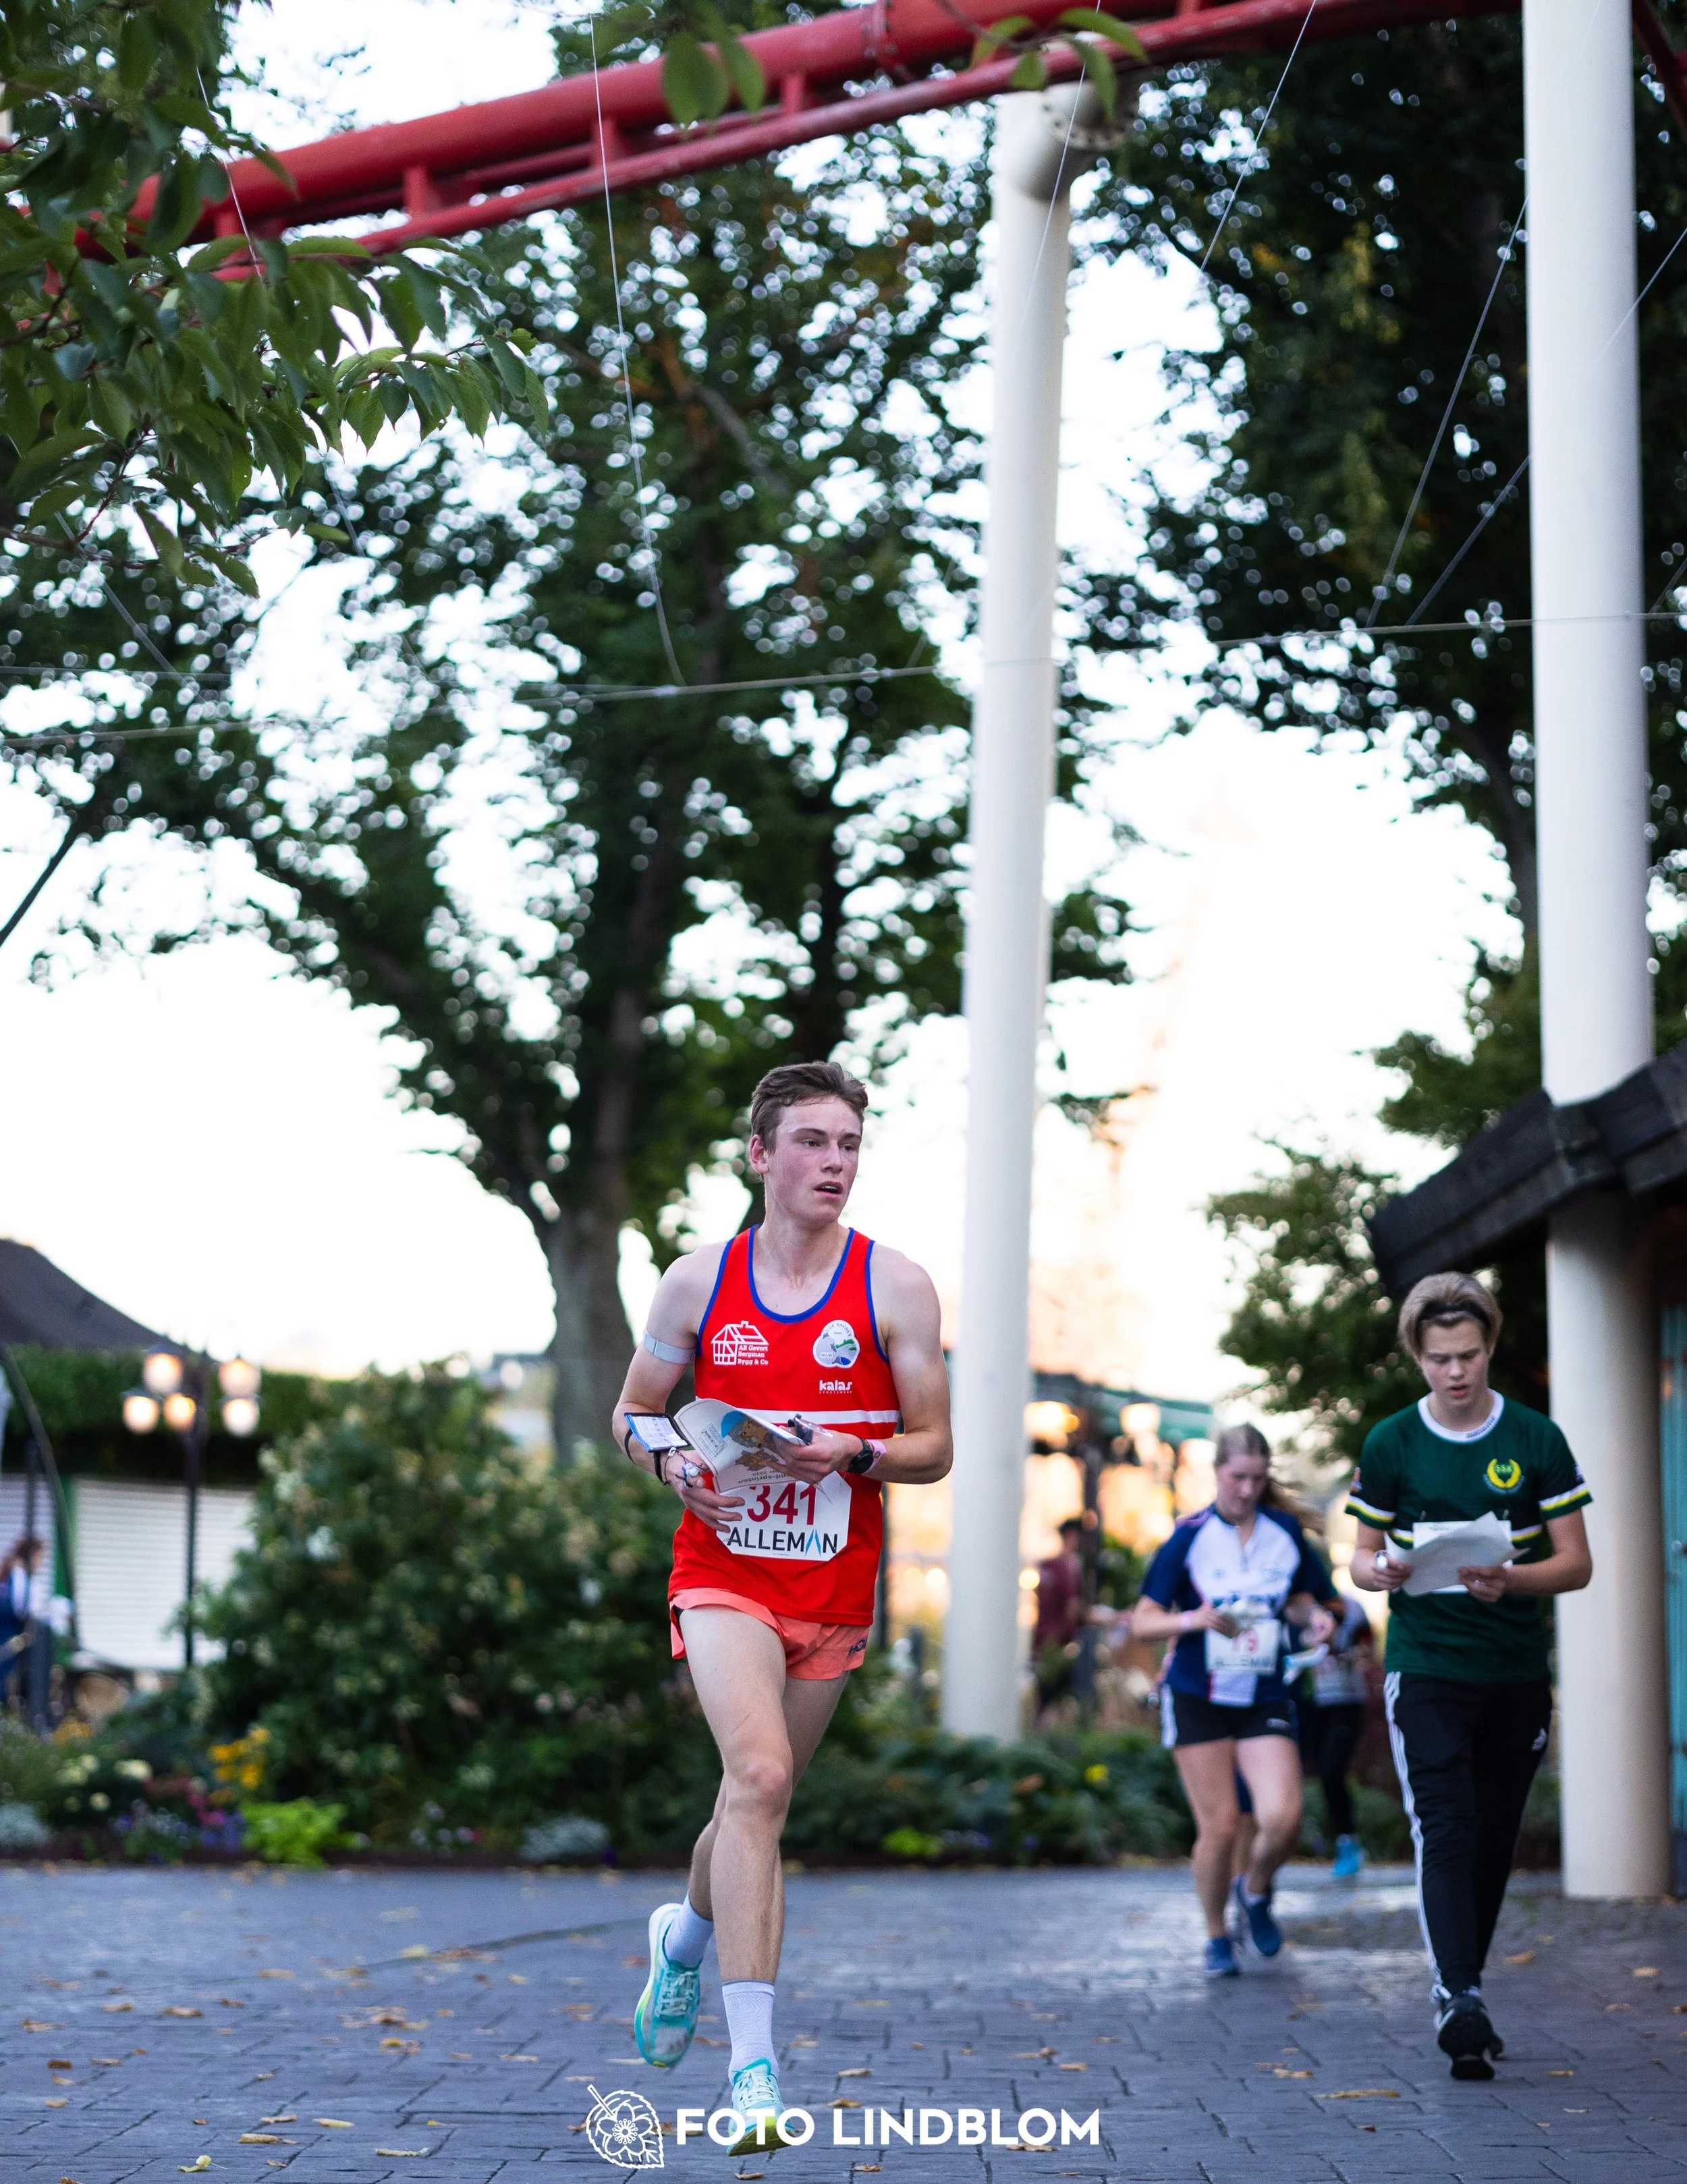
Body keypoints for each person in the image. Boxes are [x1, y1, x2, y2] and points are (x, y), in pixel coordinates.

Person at [611, 1060, 952, 2151]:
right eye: (812, 1142)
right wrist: (673, 1464)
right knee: (756, 1777)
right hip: (723, 1570)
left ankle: (681, 1943)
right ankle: (752, 2072)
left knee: (757, 1802)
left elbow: (934, 1448)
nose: (835, 1164)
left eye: (849, 1145)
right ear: (761, 1154)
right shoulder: (696, 1282)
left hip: (833, 1587)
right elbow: (633, 1413)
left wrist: (852, 1447)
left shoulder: (895, 1287)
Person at [1347, 1270, 1592, 2082]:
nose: (1455, 1371)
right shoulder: (1390, 1442)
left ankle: (1466, 1986)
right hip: (1427, 1665)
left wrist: (1509, 1577)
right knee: (1445, 1827)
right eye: (1439, 1357)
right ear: (1416, 1356)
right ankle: (1456, 1993)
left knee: (1490, 1838)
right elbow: (1358, 1557)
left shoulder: (1534, 1438)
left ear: (1490, 1347)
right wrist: (1378, 1571)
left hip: (1514, 1669)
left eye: (1470, 1354)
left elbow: (1576, 1564)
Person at [1132, 1424, 1339, 1979]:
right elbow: (1143, 1621)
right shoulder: (1189, 1535)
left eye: (1257, 1478)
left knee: (1284, 1816)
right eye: (1237, 1477)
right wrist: (1193, 1618)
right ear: (1217, 1474)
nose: (1247, 1489)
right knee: (1221, 1826)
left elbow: (1310, 1601)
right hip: (1197, 1691)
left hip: (1264, 1690)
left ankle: (1256, 1888)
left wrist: (1317, 1619)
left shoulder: (1286, 1533)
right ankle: (1217, 1936)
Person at [1296, 1594, 1375, 1879]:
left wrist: (1344, 1653)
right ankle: (1332, 1839)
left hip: (1345, 1702)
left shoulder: (1352, 1609)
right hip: (1313, 1703)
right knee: (1315, 1773)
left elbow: (1368, 1652)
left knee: (1332, 1772)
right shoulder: (1298, 1608)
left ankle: (1348, 1842)